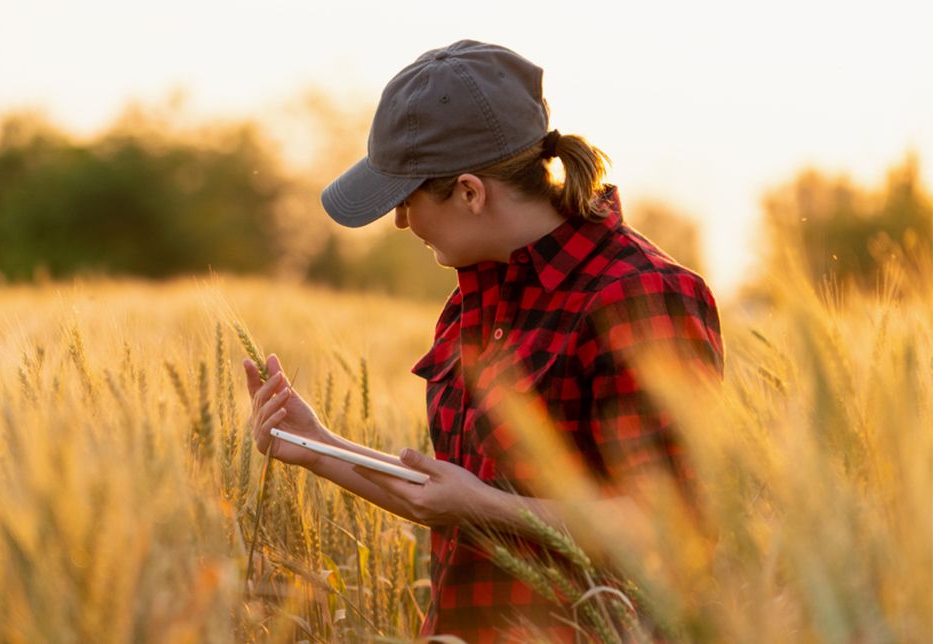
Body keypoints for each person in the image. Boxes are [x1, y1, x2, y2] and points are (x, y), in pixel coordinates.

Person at [243, 39, 724, 642]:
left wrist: (481, 507)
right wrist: (319, 447)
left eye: (406, 199)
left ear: (470, 192)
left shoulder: (639, 296)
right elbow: (449, 498)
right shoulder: (472, 301)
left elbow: (670, 529)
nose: (397, 222)